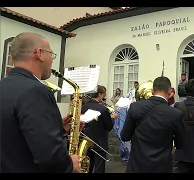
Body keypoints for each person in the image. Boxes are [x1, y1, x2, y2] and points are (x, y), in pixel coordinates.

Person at [0, 32, 80, 173]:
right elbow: (49, 157)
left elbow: (12, 134)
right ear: (40, 53)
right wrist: (70, 165)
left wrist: (58, 127)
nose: (52, 60)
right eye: (51, 54)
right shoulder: (36, 91)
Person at [120, 76, 186, 173]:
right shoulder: (176, 114)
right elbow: (180, 144)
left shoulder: (135, 107)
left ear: (152, 90)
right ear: (170, 91)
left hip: (137, 167)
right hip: (161, 167)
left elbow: (125, 136)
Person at [82, 85, 116, 173]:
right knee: (99, 168)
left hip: (85, 142)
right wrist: (112, 118)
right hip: (100, 143)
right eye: (103, 95)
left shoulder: (83, 107)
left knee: (86, 167)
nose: (103, 97)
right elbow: (109, 127)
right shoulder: (103, 109)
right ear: (99, 94)